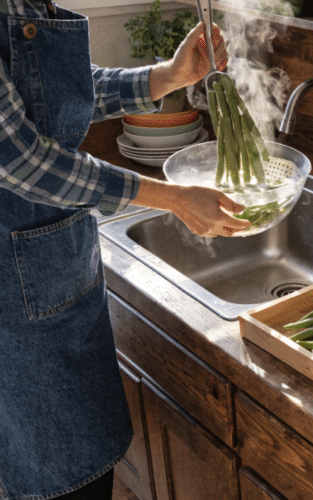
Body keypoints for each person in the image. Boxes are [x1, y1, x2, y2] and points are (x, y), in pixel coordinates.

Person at [0, 1, 250, 498]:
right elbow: (18, 159)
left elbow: (52, 92)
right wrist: (172, 198)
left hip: (56, 273)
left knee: (86, 473)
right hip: (13, 302)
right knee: (52, 480)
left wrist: (167, 76)